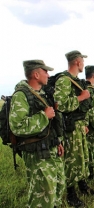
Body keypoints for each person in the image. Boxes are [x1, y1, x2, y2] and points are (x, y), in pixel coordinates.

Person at [9, 60, 65, 208]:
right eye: (45, 71)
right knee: (42, 195)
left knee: (57, 187)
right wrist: (43, 116)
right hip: (37, 153)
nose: (48, 74)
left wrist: (57, 142)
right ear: (35, 74)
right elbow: (17, 127)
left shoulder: (42, 94)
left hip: (50, 148)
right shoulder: (21, 95)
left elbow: (51, 124)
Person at [53, 50, 94, 208]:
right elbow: (59, 105)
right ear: (77, 62)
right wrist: (80, 98)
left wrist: (85, 123)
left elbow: (81, 108)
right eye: (82, 62)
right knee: (72, 160)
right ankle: (71, 194)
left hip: (79, 126)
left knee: (82, 158)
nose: (83, 65)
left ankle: (82, 186)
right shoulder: (64, 80)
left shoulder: (75, 80)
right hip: (70, 128)